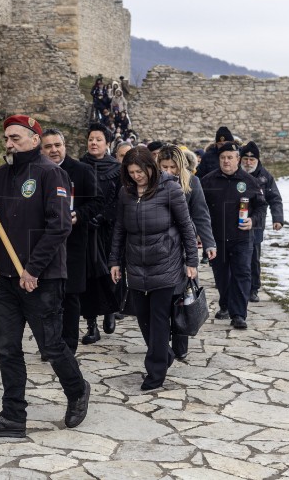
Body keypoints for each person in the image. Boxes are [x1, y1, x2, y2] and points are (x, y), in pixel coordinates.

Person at [0, 115, 90, 438]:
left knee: (50, 346)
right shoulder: (2, 175)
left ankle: (77, 390)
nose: (9, 143)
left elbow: (60, 225)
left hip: (43, 279)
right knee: (7, 347)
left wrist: (34, 269)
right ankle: (13, 416)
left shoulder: (52, 174)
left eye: (16, 138)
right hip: (8, 279)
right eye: (6, 138)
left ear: (34, 140)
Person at [109, 147, 198, 390]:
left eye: (140, 171)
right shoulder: (126, 193)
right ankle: (164, 354)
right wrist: (114, 261)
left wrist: (192, 261)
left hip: (166, 262)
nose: (137, 176)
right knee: (144, 319)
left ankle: (155, 372)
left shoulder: (170, 189)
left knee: (159, 319)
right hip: (136, 263)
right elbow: (119, 229)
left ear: (151, 167)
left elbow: (186, 226)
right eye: (132, 172)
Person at [41, 129, 103, 354]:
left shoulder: (82, 171)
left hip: (73, 244)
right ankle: (49, 343)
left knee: (70, 296)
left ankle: (68, 347)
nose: (54, 150)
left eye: (57, 145)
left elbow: (97, 201)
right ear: (42, 149)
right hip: (44, 244)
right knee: (47, 297)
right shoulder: (37, 171)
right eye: (48, 146)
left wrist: (79, 215)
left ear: (64, 146)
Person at [157, 145, 216, 360]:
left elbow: (201, 214)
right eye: (164, 166)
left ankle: (181, 341)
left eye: (173, 167)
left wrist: (209, 243)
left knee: (183, 296)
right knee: (162, 298)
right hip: (159, 247)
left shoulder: (192, 183)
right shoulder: (152, 183)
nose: (169, 171)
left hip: (184, 248)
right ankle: (161, 344)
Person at [201, 141, 266, 330]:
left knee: (242, 274)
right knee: (222, 275)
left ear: (238, 159)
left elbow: (262, 206)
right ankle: (226, 304)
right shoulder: (208, 181)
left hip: (242, 238)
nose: (226, 161)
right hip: (217, 238)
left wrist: (253, 220)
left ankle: (238, 314)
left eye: (230, 157)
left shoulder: (249, 181)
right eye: (223, 158)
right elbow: (199, 208)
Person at [79, 124, 121, 343]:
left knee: (109, 271)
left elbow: (120, 200)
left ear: (107, 144)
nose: (93, 143)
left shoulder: (117, 169)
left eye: (98, 139)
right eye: (90, 139)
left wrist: (103, 216)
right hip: (85, 229)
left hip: (109, 230)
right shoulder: (79, 166)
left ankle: (110, 309)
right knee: (88, 276)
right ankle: (91, 325)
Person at [240, 141, 284, 302]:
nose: (248, 162)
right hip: (236, 222)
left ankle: (253, 288)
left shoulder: (265, 177)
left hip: (256, 223)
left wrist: (277, 218)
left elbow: (275, 198)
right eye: (245, 159)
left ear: (257, 160)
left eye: (252, 160)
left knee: (253, 257)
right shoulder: (236, 174)